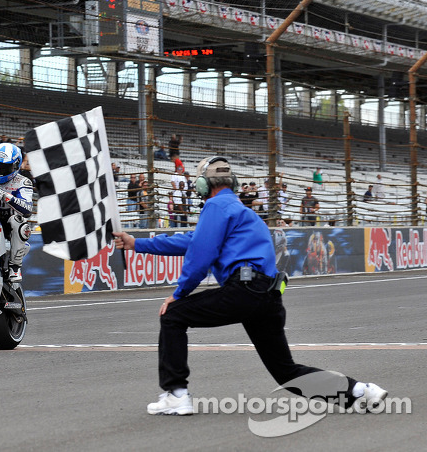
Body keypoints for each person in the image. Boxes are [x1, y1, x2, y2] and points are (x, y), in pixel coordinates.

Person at [113, 156, 386, 416]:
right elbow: (193, 241)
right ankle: (360, 391)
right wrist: (137, 243)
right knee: (286, 372)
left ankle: (176, 394)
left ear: (202, 184)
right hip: (268, 295)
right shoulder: (240, 211)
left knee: (172, 315)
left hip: (243, 291)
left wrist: (178, 294)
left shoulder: (216, 207)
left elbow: (200, 256)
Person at [0, 143, 33, 283]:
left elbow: (27, 209)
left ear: (15, 166)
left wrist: (3, 194)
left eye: (4, 167)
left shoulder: (23, 182)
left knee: (19, 221)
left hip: (7, 225)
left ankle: (15, 267)